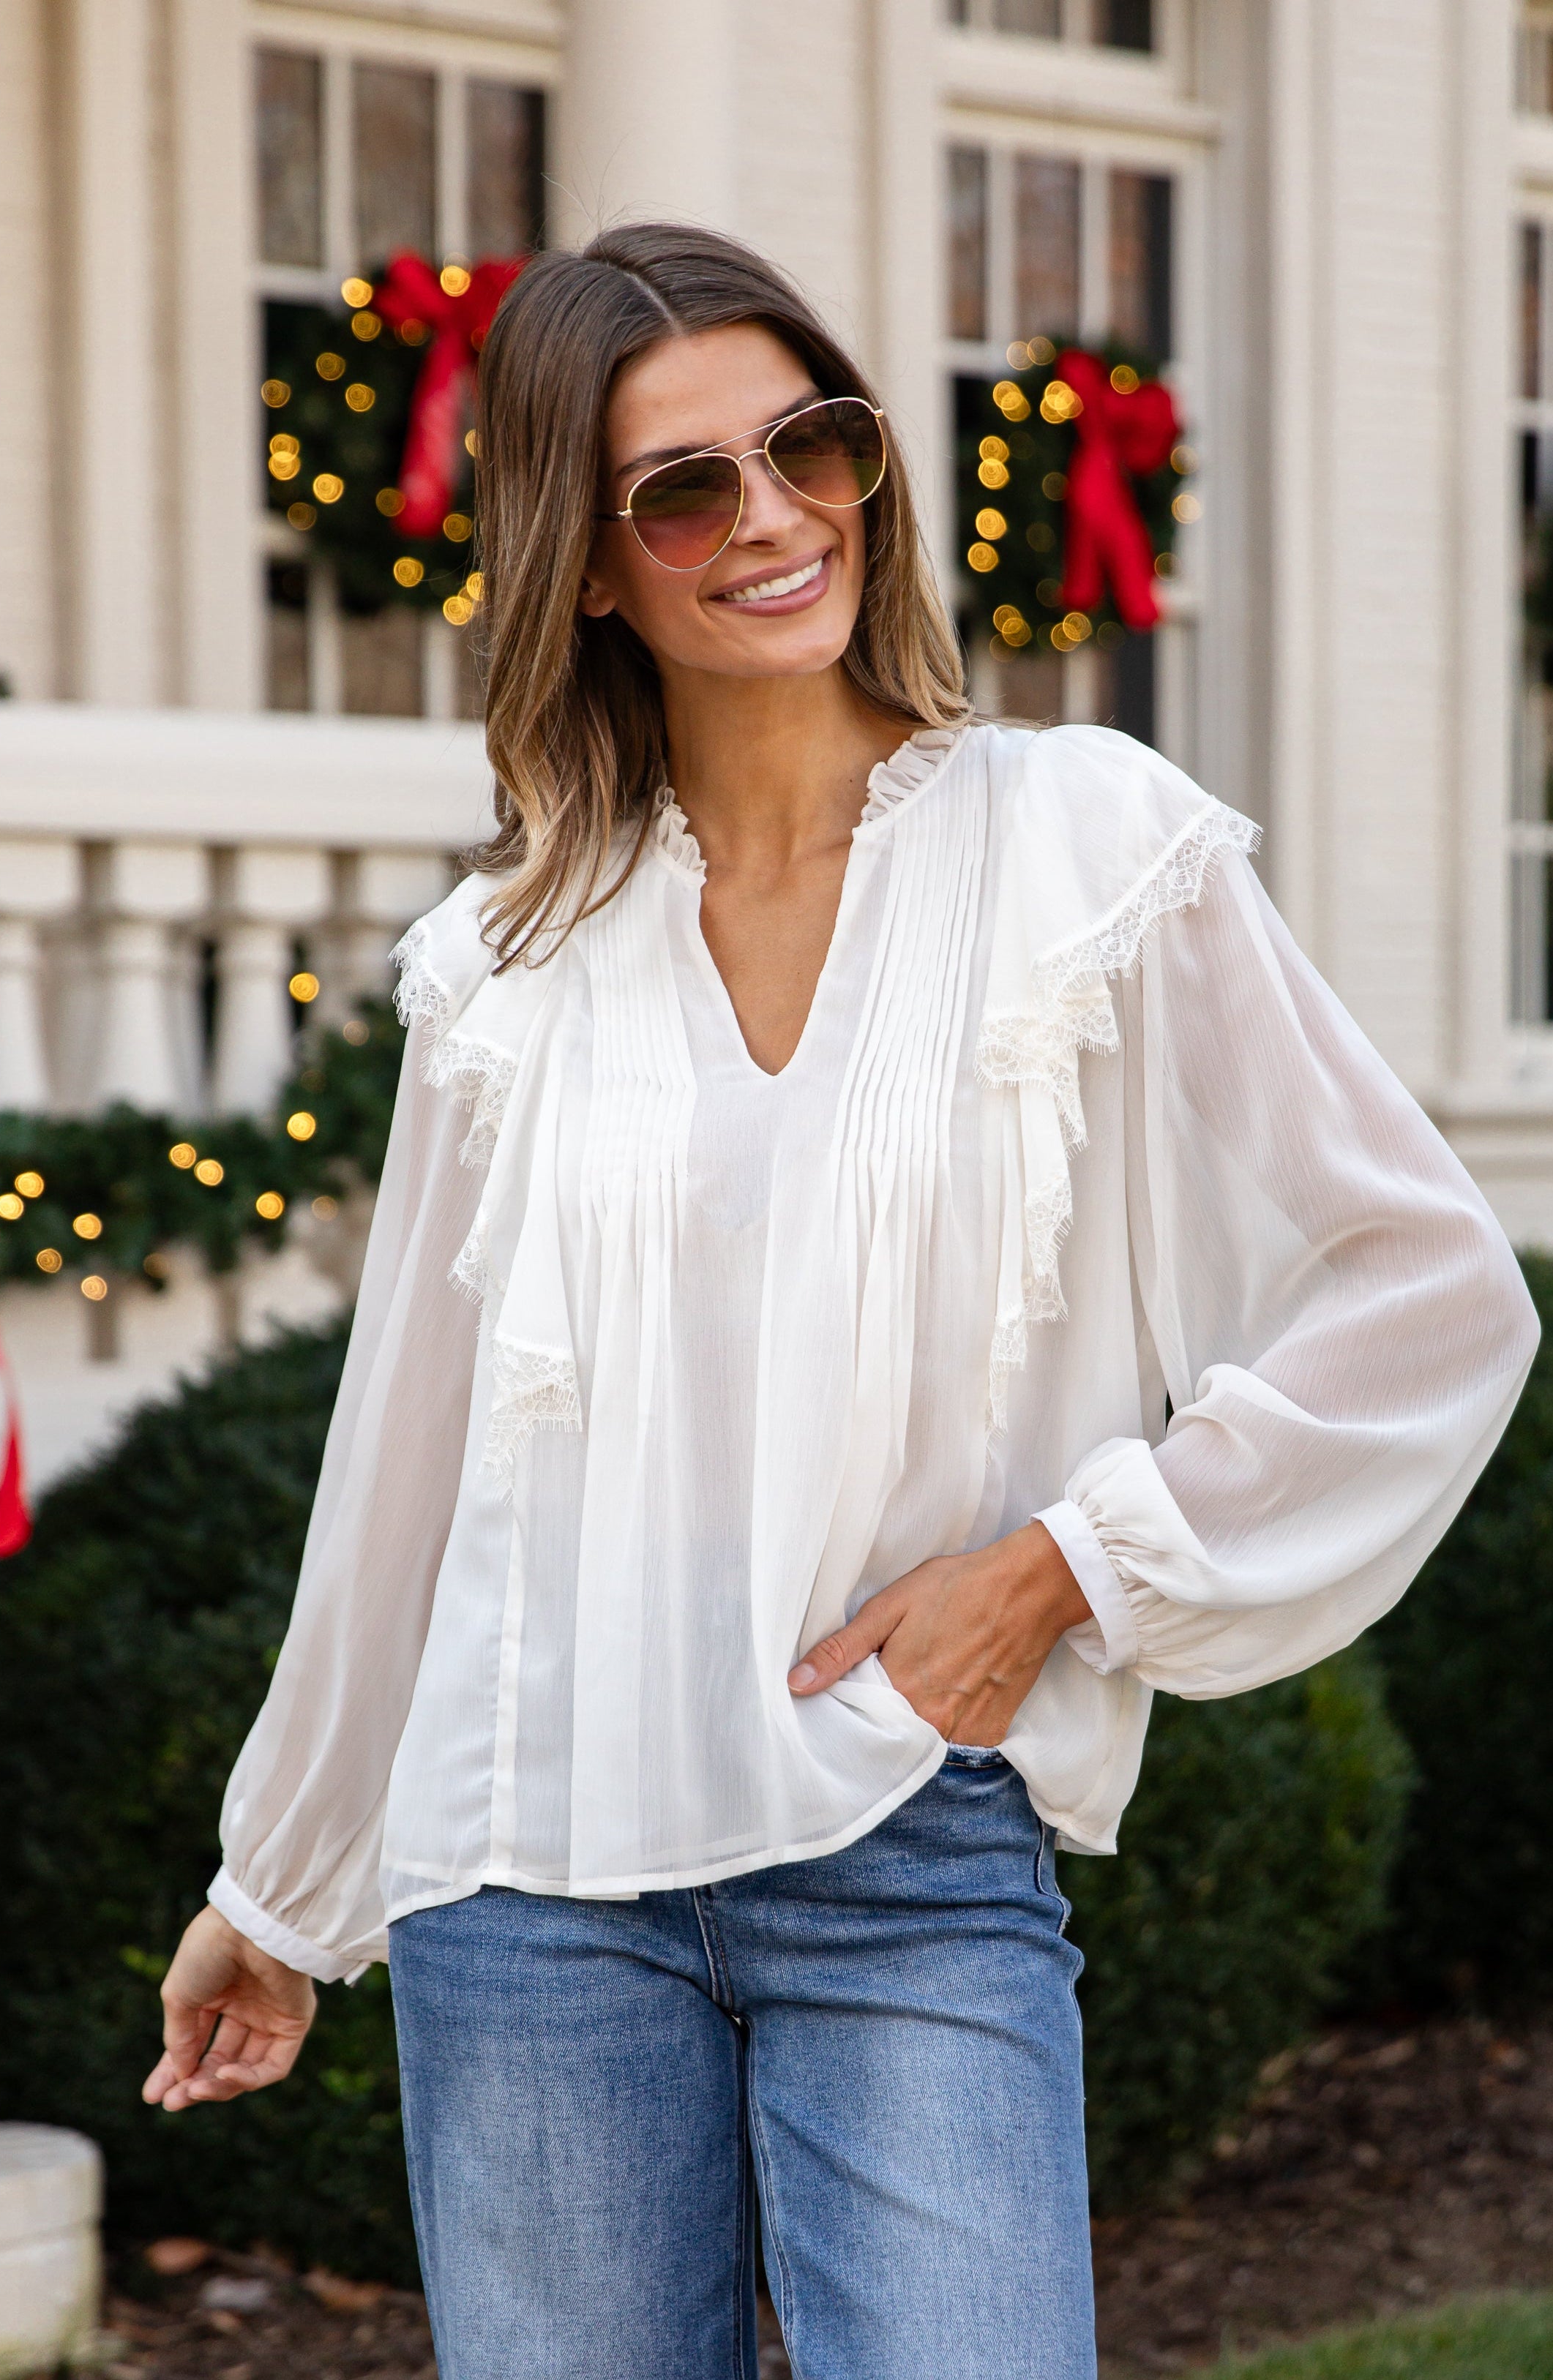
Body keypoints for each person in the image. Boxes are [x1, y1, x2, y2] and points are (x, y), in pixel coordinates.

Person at [143, 225, 1538, 2380]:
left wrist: (1063, 1568)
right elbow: (405, 1469)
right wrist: (285, 1880)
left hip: (906, 1841)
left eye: (812, 441)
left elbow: (1428, 1283)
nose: (771, 515)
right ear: (589, 568)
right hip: (523, 1879)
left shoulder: (1084, 846)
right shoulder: (501, 968)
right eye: (681, 489)